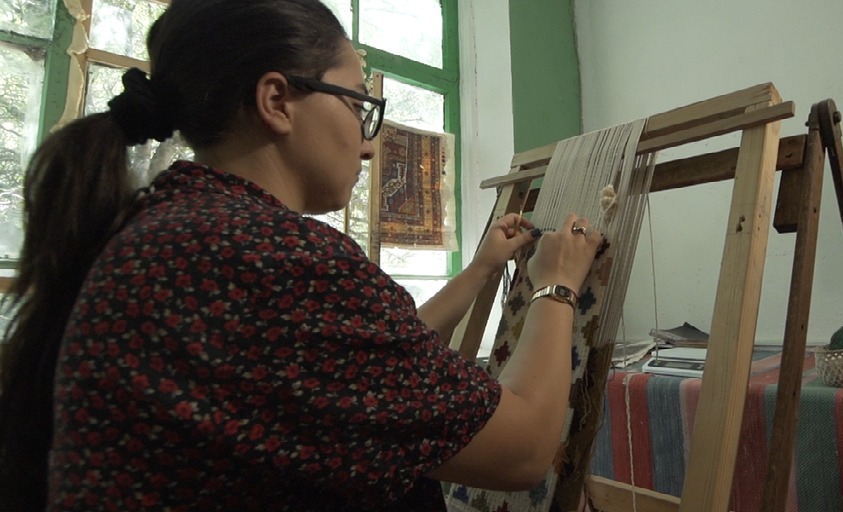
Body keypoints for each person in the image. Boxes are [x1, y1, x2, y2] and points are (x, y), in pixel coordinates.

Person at [0, 0, 602, 510]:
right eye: (357, 105)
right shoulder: (268, 258)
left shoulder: (176, 230)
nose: (368, 146)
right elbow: (525, 451)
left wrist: (482, 269)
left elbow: (373, 368)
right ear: (278, 101)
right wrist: (556, 284)